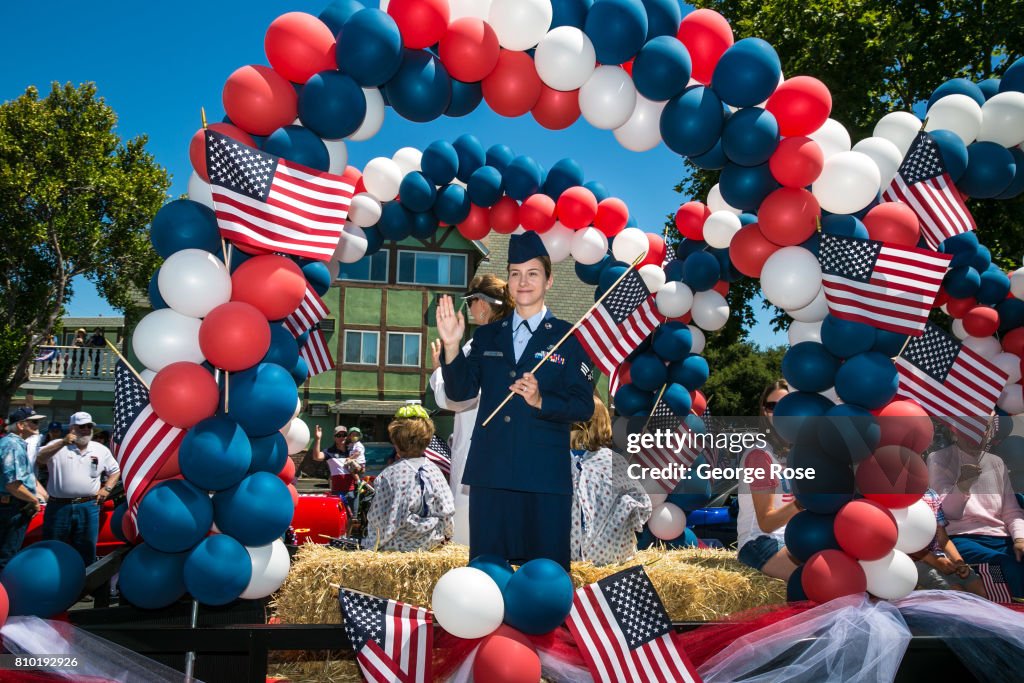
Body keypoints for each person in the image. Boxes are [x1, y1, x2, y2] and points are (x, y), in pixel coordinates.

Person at [437, 231, 595, 570]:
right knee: (487, 576)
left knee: (544, 579)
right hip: (490, 476)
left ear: (549, 280)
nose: (523, 282)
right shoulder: (486, 335)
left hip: (544, 481)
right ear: (508, 281)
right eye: (515, 273)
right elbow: (461, 393)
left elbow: (583, 406)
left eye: (532, 273)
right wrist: (452, 349)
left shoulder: (569, 338)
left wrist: (542, 400)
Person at [429, 274, 515, 545]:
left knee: (471, 542)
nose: (469, 310)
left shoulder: (479, 344)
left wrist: (439, 372)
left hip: (476, 456)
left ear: (483, 305)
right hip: (511, 455)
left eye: (471, 303)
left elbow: (456, 398)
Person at [928, 417, 1024, 600]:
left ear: (989, 433)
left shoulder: (996, 462)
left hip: (1001, 537)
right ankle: (1011, 612)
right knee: (1005, 565)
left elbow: (1012, 511)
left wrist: (1020, 539)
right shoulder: (939, 459)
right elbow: (946, 512)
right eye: (967, 427)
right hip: (961, 538)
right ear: (955, 432)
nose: (974, 434)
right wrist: (963, 486)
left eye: (981, 428)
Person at [570, 394, 652, 565]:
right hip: (608, 556)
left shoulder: (550, 459)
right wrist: (622, 514)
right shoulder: (613, 462)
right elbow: (644, 504)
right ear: (603, 423)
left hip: (561, 556)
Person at [361, 405, 454, 551]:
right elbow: (447, 513)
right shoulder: (435, 471)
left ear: (396, 442)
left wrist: (369, 546)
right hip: (431, 544)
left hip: (397, 548)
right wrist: (446, 535)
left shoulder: (389, 475)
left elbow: (378, 520)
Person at [35, 412, 121, 568]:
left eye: (89, 426)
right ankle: (54, 587)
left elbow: (115, 471)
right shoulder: (57, 446)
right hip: (59, 506)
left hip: (88, 506)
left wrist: (106, 489)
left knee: (86, 551)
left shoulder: (100, 449)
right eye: (82, 426)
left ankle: (84, 588)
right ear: (72, 428)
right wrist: (62, 443)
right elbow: (40, 459)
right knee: (52, 550)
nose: (86, 430)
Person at [736, 379, 802, 580]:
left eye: (786, 405)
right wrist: (805, 502)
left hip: (795, 539)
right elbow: (766, 522)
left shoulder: (797, 453)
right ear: (764, 412)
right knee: (819, 578)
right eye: (772, 407)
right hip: (759, 543)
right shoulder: (759, 455)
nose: (779, 412)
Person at [910, 488, 986, 596]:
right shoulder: (894, 496)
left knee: (979, 589)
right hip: (911, 562)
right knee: (957, 593)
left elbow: (943, 539)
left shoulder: (930, 495)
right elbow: (902, 543)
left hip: (939, 558)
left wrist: (959, 562)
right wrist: (936, 562)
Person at [0, 408, 45, 570]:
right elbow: (12, 484)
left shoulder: (12, 443)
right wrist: (33, 499)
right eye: (33, 421)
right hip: (10, 507)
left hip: (12, 505)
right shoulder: (12, 445)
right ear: (20, 425)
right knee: (6, 557)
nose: (37, 424)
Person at [310, 425, 364, 497]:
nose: (342, 437)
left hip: (354, 491)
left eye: (344, 435)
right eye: (338, 435)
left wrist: (360, 469)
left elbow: (362, 469)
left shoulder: (352, 450)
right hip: (338, 492)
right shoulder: (329, 452)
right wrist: (318, 439)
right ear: (334, 437)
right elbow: (316, 457)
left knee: (354, 509)